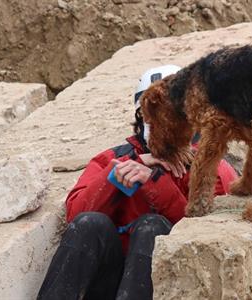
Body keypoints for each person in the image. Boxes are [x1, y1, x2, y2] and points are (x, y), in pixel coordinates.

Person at [37, 65, 238, 300]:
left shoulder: (211, 167)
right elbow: (76, 217)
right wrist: (124, 170)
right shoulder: (114, 159)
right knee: (90, 223)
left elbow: (208, 234)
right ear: (140, 116)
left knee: (151, 226)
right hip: (110, 282)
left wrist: (154, 181)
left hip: (174, 284)